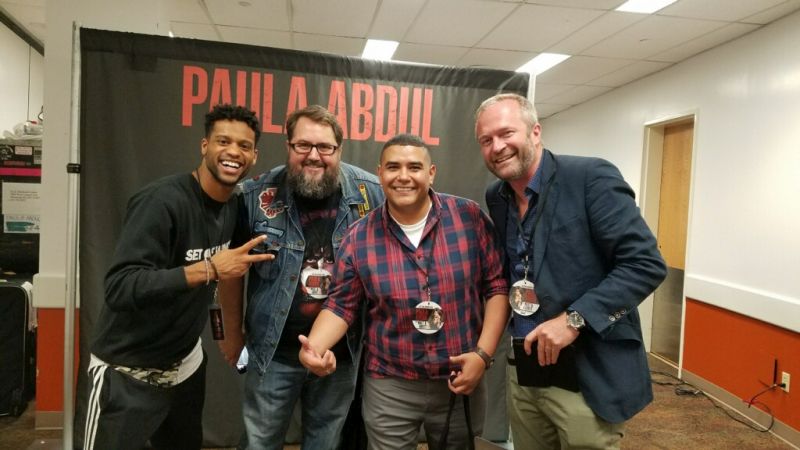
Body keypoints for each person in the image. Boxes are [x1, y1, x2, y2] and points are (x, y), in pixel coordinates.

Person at [475, 93, 667, 449]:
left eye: (506, 133)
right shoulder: (496, 197)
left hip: (586, 372)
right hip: (525, 370)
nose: (497, 147)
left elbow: (646, 264)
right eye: (486, 140)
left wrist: (574, 320)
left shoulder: (590, 177)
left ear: (535, 132)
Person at [298, 134, 510, 450]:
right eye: (393, 167)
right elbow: (341, 306)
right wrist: (314, 348)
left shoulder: (469, 217)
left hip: (460, 377)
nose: (403, 176)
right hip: (390, 384)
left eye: (414, 167)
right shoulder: (359, 236)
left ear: (431, 173)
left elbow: (497, 287)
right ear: (380, 172)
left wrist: (483, 355)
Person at [83, 104, 271, 450]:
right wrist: (209, 268)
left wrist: (230, 333)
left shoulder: (235, 208)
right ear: (204, 146)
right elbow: (121, 286)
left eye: (244, 145)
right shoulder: (161, 201)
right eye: (223, 141)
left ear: (254, 156)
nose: (233, 152)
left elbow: (231, 276)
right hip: (128, 372)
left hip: (185, 368)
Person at [218, 105, 385, 450]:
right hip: (273, 352)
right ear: (288, 145)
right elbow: (231, 275)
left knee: (325, 442)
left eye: (325, 147)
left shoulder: (371, 194)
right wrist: (231, 335)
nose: (314, 156)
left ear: (339, 149)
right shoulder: (253, 197)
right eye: (303, 145)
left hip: (340, 355)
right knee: (260, 442)